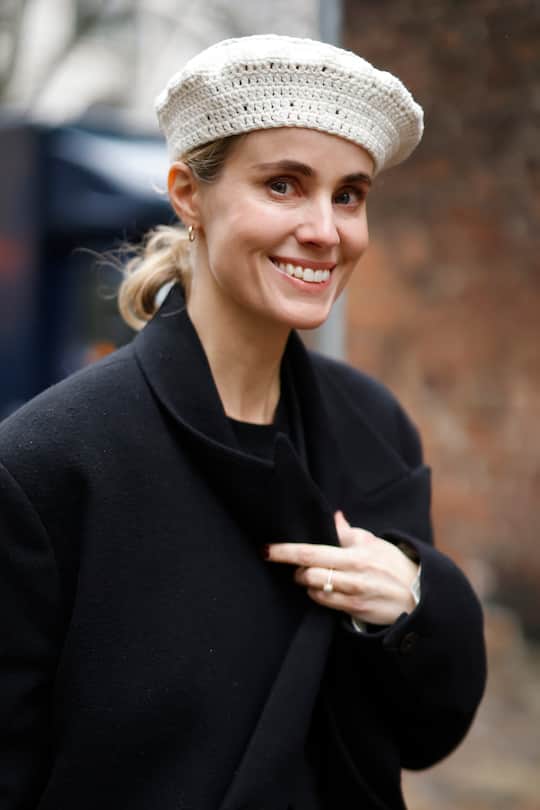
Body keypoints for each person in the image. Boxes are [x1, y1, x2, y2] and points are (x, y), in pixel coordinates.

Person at [0, 34, 486, 810]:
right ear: (188, 195)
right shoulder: (50, 462)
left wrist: (418, 608)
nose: (326, 230)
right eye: (285, 185)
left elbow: (428, 734)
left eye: (349, 194)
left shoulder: (374, 430)